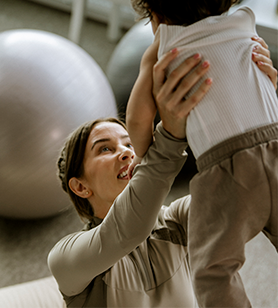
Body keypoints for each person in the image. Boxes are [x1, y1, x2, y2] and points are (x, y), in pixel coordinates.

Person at [48, 31, 276, 307]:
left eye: (129, 144)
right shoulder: (65, 258)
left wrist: (262, 108)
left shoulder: (177, 219)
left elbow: (247, 194)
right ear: (80, 186)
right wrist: (170, 136)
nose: (125, 152)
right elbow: (129, 230)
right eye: (105, 148)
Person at [126, 0, 278, 307]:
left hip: (228, 170)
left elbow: (137, 119)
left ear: (153, 12)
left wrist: (143, 155)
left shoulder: (163, 47)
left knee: (214, 269)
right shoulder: (244, 24)